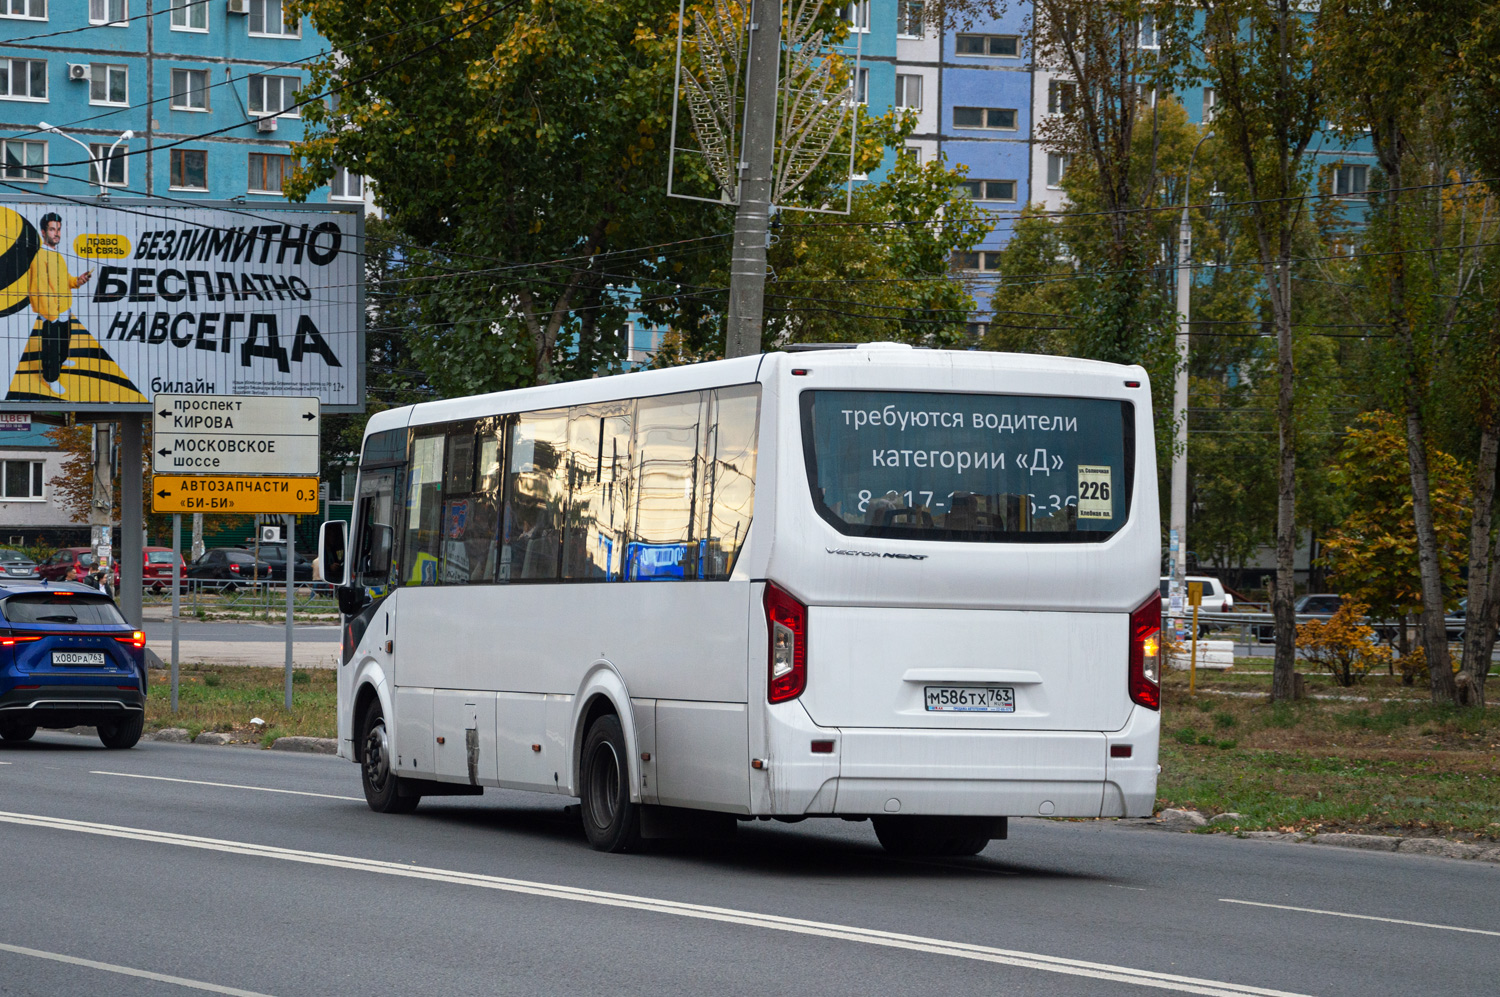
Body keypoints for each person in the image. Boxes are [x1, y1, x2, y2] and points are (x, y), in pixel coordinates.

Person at [27, 212, 93, 394]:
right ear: (43, 232)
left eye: (58, 229)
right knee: (51, 347)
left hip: (64, 309)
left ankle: (62, 359)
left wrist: (77, 281)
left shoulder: (57, 255)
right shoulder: (41, 256)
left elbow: (64, 280)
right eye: (52, 229)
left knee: (64, 341)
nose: (56, 233)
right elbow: (38, 289)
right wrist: (52, 315)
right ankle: (50, 378)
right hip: (52, 314)